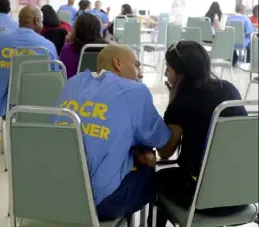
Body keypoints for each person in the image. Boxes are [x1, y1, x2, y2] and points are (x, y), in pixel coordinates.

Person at [53, 44, 179, 223]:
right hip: (102, 203)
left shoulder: (73, 84)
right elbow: (164, 145)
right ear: (117, 64)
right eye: (136, 65)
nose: (141, 73)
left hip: (56, 196)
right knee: (149, 172)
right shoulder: (134, 91)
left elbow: (90, 137)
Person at [151, 41, 248, 227]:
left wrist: (172, 104)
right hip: (242, 194)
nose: (165, 74)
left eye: (168, 69)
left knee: (154, 179)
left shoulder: (183, 103)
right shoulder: (229, 89)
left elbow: (164, 152)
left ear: (182, 74)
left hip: (203, 199)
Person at [0, 5, 58, 152]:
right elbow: (55, 78)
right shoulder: (46, 46)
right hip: (35, 101)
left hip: (2, 102)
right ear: (36, 20)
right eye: (41, 21)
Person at [59, 13, 108, 79]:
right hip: (103, 87)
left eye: (73, 26)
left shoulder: (68, 50)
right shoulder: (108, 49)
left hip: (75, 87)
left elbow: (64, 74)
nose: (71, 28)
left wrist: (66, 44)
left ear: (79, 31)